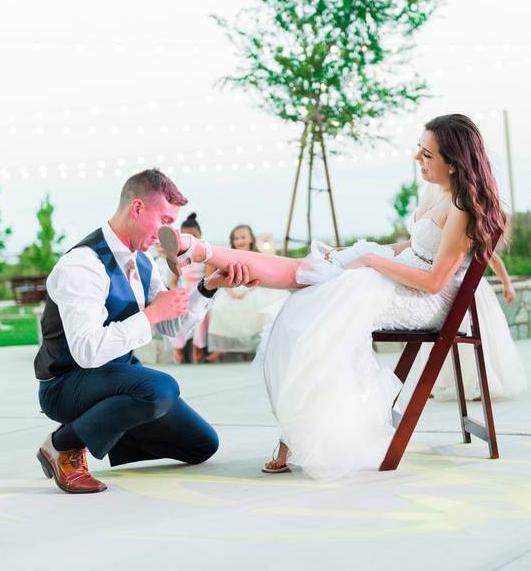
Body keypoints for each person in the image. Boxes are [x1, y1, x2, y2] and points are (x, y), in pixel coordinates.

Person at [159, 114, 508, 479]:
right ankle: (196, 250)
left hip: (422, 300)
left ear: (454, 164)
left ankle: (295, 431)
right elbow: (418, 245)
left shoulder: (462, 211)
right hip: (401, 272)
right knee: (308, 277)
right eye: (419, 151)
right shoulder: (434, 190)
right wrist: (359, 252)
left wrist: (370, 261)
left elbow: (435, 281)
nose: (418, 160)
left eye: (427, 155)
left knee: (315, 304)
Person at [33, 169, 256, 494]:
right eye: (164, 219)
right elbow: (87, 351)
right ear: (137, 209)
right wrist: (151, 314)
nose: (169, 231)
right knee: (161, 389)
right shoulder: (82, 265)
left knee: (203, 445)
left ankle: (113, 422)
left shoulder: (143, 262)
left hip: (117, 378)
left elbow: (171, 326)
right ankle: (62, 446)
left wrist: (208, 288)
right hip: (67, 383)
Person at [432, 251, 527, 401]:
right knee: (447, 335)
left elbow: (492, 258)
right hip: (448, 285)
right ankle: (444, 381)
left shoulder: (471, 230)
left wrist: (507, 283)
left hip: (470, 286)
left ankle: (478, 382)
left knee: (475, 332)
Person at [206, 225, 289, 362]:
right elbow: (221, 277)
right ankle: (221, 348)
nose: (240, 241)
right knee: (218, 308)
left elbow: (263, 276)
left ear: (251, 238)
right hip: (233, 288)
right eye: (236, 238)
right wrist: (231, 292)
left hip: (255, 287)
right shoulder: (228, 256)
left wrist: (249, 291)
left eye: (243, 237)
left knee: (262, 306)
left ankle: (266, 346)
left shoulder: (258, 255)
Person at [167, 213, 213, 363]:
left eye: (195, 236)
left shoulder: (207, 255)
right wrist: (178, 293)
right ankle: (179, 347)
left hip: (203, 291)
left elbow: (208, 279)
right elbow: (173, 281)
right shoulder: (177, 256)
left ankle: (198, 347)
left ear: (200, 235)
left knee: (201, 311)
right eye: (187, 236)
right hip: (184, 290)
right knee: (175, 310)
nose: (192, 240)